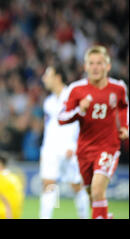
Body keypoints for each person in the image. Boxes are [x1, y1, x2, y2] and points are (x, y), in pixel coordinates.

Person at [58, 45, 129, 219]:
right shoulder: (76, 89)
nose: (96, 67)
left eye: (100, 63)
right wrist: (80, 110)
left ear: (108, 66)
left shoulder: (118, 88)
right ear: (85, 66)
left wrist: (125, 127)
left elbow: (123, 107)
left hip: (108, 146)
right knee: (91, 193)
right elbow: (62, 118)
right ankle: (105, 216)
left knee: (98, 190)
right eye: (92, 63)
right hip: (84, 149)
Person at [39, 65, 90, 219]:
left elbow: (83, 122)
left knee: (77, 187)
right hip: (51, 150)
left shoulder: (73, 96)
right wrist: (44, 149)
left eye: (48, 75)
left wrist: (75, 146)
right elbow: (49, 128)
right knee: (49, 185)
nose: (44, 78)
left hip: (70, 149)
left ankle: (84, 216)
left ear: (58, 77)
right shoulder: (48, 102)